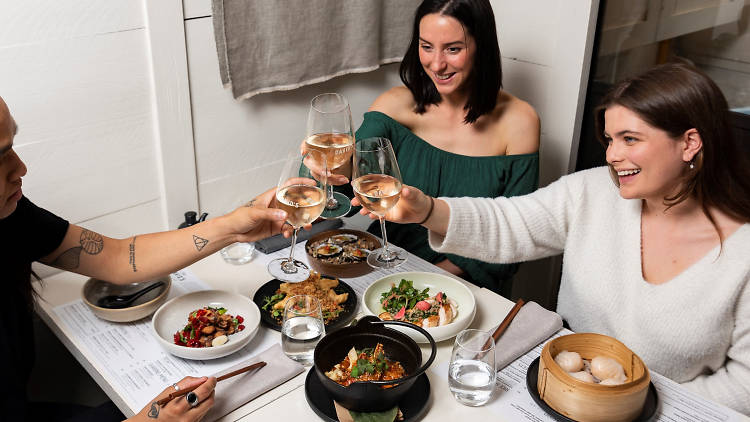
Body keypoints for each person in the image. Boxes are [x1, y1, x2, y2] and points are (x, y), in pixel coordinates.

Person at [352, 61, 750, 414]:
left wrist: (637, 408)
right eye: (610, 140)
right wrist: (426, 210)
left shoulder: (742, 254)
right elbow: (510, 223)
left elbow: (744, 388)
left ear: (689, 143)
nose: (612, 155)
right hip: (550, 394)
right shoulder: (593, 192)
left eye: (630, 139)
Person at [0, 95, 289, 421]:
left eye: (12, 146)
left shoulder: (10, 216)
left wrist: (233, 227)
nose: (20, 168)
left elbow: (117, 258)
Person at [348, 0, 540, 297]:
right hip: (384, 269)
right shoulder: (394, 105)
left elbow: (515, 236)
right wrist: (326, 168)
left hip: (464, 285)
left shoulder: (519, 121)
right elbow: (346, 183)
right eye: (426, 47)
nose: (436, 64)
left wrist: (425, 278)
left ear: (482, 47)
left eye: (453, 49)